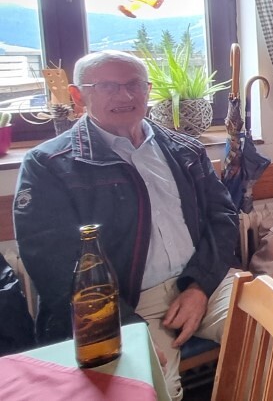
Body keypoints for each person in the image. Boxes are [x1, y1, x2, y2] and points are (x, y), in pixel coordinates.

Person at [13, 50, 239, 400]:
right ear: (77, 96)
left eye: (134, 85)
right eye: (107, 86)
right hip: (123, 304)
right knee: (150, 386)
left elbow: (223, 218)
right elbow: (54, 267)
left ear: (148, 90)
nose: (125, 96)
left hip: (202, 280)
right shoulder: (48, 165)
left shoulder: (185, 149)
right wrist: (129, 328)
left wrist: (199, 287)